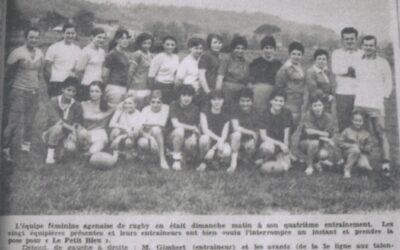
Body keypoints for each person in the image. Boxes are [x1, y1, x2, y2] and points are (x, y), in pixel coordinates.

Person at [3, 27, 44, 161]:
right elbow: (7, 75)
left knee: (29, 121)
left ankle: (25, 147)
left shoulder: (40, 53)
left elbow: (38, 74)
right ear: (25, 38)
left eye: (36, 38)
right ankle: (5, 149)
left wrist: (36, 88)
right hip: (19, 91)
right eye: (31, 37)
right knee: (13, 122)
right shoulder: (17, 53)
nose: (34, 40)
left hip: (33, 92)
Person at [354, 35, 393, 175]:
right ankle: (362, 160)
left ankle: (385, 164)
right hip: (360, 103)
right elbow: (357, 82)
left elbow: (388, 82)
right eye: (366, 45)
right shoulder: (359, 62)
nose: (368, 48)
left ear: (375, 46)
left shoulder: (383, 62)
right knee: (361, 134)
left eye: (371, 45)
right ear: (362, 46)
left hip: (376, 104)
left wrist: (384, 98)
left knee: (380, 133)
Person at [42, 77, 83, 164]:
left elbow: (76, 122)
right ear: (62, 89)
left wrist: (73, 132)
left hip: (65, 134)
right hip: (50, 132)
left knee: (70, 148)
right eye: (69, 90)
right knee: (58, 127)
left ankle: (59, 149)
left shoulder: (76, 105)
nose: (71, 93)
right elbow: (57, 120)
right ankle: (49, 156)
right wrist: (72, 129)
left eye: (73, 91)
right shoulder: (54, 101)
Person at [331, 27, 363, 131]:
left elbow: (363, 72)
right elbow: (336, 69)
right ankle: (345, 144)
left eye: (352, 38)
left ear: (356, 39)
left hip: (359, 92)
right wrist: (350, 70)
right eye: (347, 39)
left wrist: (346, 71)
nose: (349, 41)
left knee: (358, 119)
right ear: (342, 40)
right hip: (342, 92)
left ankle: (358, 143)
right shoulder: (337, 53)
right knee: (343, 119)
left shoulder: (362, 54)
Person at [299, 95, 336, 176]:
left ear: (323, 106)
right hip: (305, 142)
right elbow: (308, 132)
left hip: (321, 142)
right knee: (314, 143)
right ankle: (309, 166)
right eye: (315, 105)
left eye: (320, 105)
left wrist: (321, 135)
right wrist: (325, 137)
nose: (317, 108)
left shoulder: (328, 117)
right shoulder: (308, 115)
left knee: (323, 154)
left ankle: (316, 161)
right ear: (311, 107)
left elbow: (328, 134)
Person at [257, 90, 293, 169]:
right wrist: (280, 144)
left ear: (284, 103)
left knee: (285, 168)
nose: (278, 103)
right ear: (271, 101)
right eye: (276, 100)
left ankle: (276, 159)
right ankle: (265, 159)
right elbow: (263, 137)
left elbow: (286, 135)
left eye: (281, 101)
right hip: (269, 143)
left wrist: (285, 149)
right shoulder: (264, 114)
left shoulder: (287, 113)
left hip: (281, 146)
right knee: (267, 148)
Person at [44, 23, 81, 98]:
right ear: (63, 33)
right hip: (56, 83)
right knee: (55, 107)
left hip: (70, 84)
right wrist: (51, 82)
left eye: (72, 33)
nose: (70, 35)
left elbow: (77, 68)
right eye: (68, 33)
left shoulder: (77, 49)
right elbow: (47, 68)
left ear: (75, 34)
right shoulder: (54, 47)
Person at [197, 90, 231, 171]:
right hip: (209, 140)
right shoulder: (204, 112)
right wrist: (217, 140)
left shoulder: (226, 116)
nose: (217, 102)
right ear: (210, 101)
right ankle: (203, 161)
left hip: (220, 142)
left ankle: (214, 161)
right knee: (204, 138)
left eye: (219, 99)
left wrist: (213, 149)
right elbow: (205, 130)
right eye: (214, 99)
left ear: (223, 100)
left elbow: (223, 136)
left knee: (226, 153)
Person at [168, 85, 200, 170]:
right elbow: (175, 124)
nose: (186, 98)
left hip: (187, 137)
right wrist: (192, 128)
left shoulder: (195, 109)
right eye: (184, 95)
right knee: (180, 130)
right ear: (180, 96)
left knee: (192, 142)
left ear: (192, 97)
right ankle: (176, 159)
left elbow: (197, 126)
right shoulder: (174, 104)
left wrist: (194, 135)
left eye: (189, 96)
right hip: (173, 138)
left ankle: (185, 156)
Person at [276, 41, 307, 127]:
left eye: (299, 54)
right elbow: (279, 86)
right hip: (289, 101)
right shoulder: (284, 69)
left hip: (299, 101)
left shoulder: (301, 67)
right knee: (287, 126)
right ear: (289, 54)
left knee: (295, 124)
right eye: (294, 53)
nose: (296, 56)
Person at [228, 88, 259, 173]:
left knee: (252, 142)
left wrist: (254, 136)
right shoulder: (235, 110)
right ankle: (233, 162)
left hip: (248, 140)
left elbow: (257, 130)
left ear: (252, 101)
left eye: (247, 101)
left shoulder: (255, 112)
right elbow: (236, 127)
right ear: (238, 101)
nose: (245, 103)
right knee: (237, 134)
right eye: (242, 101)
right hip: (234, 140)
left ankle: (245, 159)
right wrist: (251, 132)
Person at [249, 36, 282, 113]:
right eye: (266, 48)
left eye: (271, 48)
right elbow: (250, 79)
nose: (268, 50)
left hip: (272, 93)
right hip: (258, 93)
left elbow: (281, 80)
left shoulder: (278, 64)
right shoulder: (256, 62)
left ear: (274, 49)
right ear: (262, 49)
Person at [138, 90, 170, 169]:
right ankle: (151, 156)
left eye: (158, 102)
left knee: (156, 129)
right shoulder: (145, 109)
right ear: (150, 102)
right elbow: (140, 127)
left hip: (161, 135)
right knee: (143, 143)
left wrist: (147, 125)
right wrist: (148, 136)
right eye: (153, 102)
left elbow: (162, 125)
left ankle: (162, 159)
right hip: (147, 135)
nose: (155, 105)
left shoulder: (166, 108)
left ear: (162, 103)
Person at [217, 35, 250, 108]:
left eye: (242, 48)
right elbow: (220, 76)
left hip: (241, 91)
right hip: (228, 90)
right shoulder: (226, 59)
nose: (240, 51)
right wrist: (217, 94)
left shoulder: (246, 62)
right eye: (237, 48)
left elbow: (247, 79)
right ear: (233, 48)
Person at [338, 110, 373, 178]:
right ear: (352, 120)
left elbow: (370, 147)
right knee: (355, 150)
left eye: (360, 121)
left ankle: (361, 168)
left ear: (363, 122)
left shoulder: (366, 133)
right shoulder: (347, 131)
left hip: (361, 154)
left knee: (364, 166)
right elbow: (340, 143)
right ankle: (347, 170)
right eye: (355, 120)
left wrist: (362, 148)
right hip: (348, 153)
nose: (357, 123)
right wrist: (352, 146)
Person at [81, 81, 113, 155]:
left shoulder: (107, 106)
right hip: (86, 132)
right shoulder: (83, 104)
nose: (94, 94)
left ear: (101, 93)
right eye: (92, 91)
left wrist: (104, 115)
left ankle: (90, 153)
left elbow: (120, 106)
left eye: (97, 91)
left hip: (99, 132)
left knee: (95, 149)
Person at [76, 27, 106, 101]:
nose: (102, 40)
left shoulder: (102, 51)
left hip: (98, 85)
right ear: (92, 37)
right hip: (87, 86)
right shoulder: (86, 51)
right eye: (99, 37)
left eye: (103, 38)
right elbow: (79, 69)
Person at [103, 29, 131, 108]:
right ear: (116, 40)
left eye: (127, 38)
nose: (125, 41)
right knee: (113, 112)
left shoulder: (125, 55)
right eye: (122, 38)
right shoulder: (112, 54)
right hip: (114, 87)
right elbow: (105, 75)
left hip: (124, 87)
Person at [148, 35, 179, 104]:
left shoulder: (176, 57)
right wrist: (153, 90)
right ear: (163, 45)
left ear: (175, 46)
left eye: (172, 45)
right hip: (160, 86)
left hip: (171, 87)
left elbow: (176, 73)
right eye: (167, 44)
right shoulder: (159, 57)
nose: (170, 47)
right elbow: (151, 75)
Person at [176, 37, 205, 107]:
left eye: (201, 48)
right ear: (190, 48)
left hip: (199, 93)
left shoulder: (201, 60)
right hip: (188, 94)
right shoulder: (185, 62)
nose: (199, 51)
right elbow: (178, 81)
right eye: (196, 48)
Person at [305, 49, 336, 114]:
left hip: (327, 104)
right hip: (315, 103)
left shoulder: (327, 71)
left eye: (324, 59)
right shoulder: (311, 72)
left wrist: (331, 95)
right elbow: (313, 90)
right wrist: (327, 97)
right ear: (315, 60)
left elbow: (332, 84)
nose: (321, 61)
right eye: (319, 59)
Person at [128, 32, 154, 109]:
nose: (147, 45)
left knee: (144, 108)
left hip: (147, 85)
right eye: (144, 43)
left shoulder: (151, 55)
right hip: (137, 85)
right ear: (139, 43)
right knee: (136, 108)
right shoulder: (137, 54)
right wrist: (128, 86)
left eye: (149, 43)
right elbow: (130, 72)